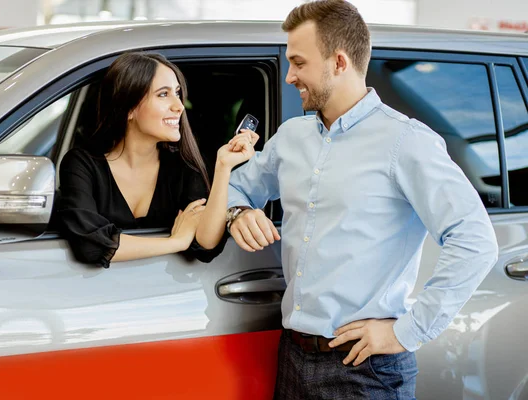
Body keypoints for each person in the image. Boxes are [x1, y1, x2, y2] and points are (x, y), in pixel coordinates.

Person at [201, 1, 499, 398]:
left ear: (339, 62)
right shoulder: (291, 138)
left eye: (299, 63)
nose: (289, 77)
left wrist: (406, 331)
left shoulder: (405, 142)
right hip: (292, 356)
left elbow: (475, 240)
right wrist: (238, 211)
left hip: (365, 371)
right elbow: (236, 189)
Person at [56, 52, 256, 267]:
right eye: (163, 94)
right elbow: (92, 245)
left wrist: (223, 167)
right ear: (129, 107)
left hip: (166, 292)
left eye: (178, 93)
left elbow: (206, 243)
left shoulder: (183, 167)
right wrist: (175, 242)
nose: (179, 105)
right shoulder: (82, 164)